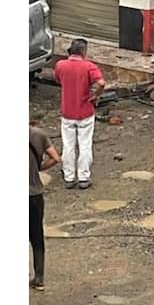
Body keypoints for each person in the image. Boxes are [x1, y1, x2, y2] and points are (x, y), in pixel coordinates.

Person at [53, 38, 105, 189]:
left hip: (67, 112)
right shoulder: (89, 66)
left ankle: (69, 177)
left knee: (68, 145)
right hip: (85, 111)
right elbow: (101, 83)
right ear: (84, 51)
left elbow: (58, 80)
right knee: (85, 144)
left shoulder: (60, 65)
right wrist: (97, 95)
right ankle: (83, 177)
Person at [29, 123, 61, 291]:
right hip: (34, 195)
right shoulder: (39, 134)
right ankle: (39, 277)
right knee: (37, 237)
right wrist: (38, 168)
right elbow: (55, 158)